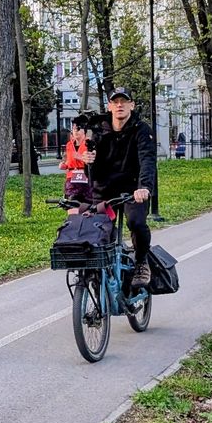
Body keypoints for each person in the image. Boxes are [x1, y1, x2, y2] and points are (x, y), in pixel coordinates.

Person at [80, 87, 156, 287]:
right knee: (97, 229)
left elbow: (147, 161)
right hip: (105, 190)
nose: (119, 105)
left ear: (132, 105)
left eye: (124, 101)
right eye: (115, 102)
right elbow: (92, 172)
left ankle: (141, 262)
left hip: (133, 190)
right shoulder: (99, 131)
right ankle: (100, 271)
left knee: (136, 223)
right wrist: (88, 162)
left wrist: (144, 187)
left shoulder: (141, 130)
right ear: (109, 106)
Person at [59, 115, 92, 205]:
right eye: (74, 129)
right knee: (71, 204)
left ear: (84, 131)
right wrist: (64, 165)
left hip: (86, 178)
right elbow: (68, 161)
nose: (76, 131)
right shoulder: (69, 145)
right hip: (71, 179)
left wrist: (81, 157)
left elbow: (95, 162)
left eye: (78, 129)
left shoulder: (90, 143)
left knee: (87, 204)